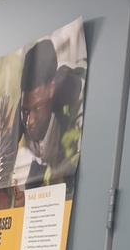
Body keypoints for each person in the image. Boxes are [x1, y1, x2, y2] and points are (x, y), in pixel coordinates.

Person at [19, 37, 84, 194]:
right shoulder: (21, 111)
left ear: (51, 88)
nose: (30, 122)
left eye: (37, 108)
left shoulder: (72, 96)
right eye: (26, 111)